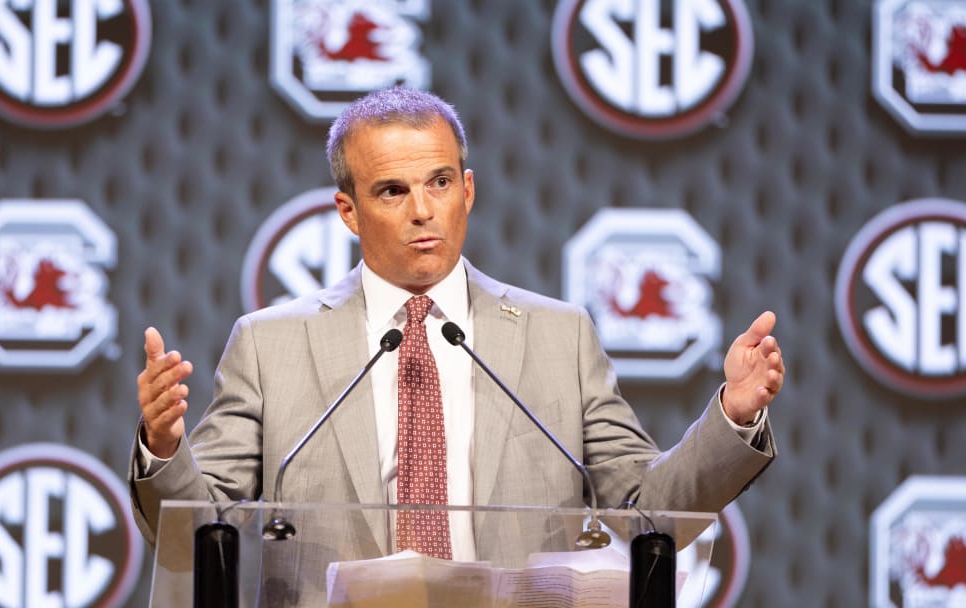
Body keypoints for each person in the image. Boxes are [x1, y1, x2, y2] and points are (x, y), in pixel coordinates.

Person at [129, 86, 783, 579]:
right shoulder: (270, 345)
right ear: (348, 212)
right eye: (391, 191)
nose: (422, 211)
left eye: (439, 182)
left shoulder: (559, 338)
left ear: (467, 190)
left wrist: (731, 415)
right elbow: (195, 533)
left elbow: (648, 512)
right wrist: (162, 448)